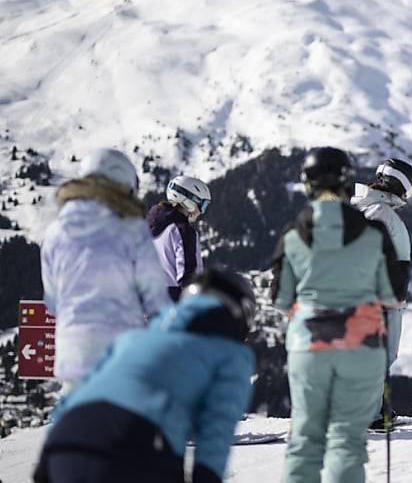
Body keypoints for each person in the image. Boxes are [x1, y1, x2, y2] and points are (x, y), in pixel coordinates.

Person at [33, 269, 256, 483]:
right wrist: (206, 476)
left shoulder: (132, 339)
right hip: (136, 446)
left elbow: (77, 394)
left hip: (64, 444)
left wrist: (47, 460)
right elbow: (216, 429)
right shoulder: (231, 354)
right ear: (239, 312)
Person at [271, 147, 400, 483]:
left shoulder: (292, 235)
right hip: (361, 346)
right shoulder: (374, 234)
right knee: (347, 442)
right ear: (347, 181)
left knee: (304, 440)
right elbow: (392, 294)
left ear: (307, 184)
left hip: (309, 345)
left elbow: (280, 298)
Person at [40, 148, 171, 392]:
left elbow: (52, 301)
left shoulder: (55, 231)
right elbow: (155, 297)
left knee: (76, 411)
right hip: (121, 351)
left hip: (73, 353)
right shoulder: (133, 230)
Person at [350, 158, 412, 429]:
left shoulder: (365, 207)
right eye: (408, 189)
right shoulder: (382, 213)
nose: (408, 196)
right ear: (397, 184)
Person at [148, 175, 212, 301]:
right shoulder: (183, 231)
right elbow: (188, 275)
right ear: (189, 200)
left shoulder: (146, 223)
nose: (201, 212)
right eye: (202, 205)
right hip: (174, 302)